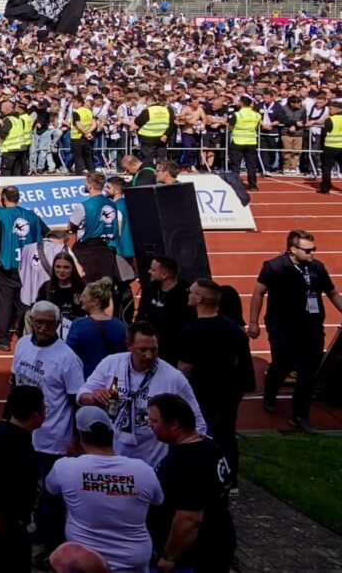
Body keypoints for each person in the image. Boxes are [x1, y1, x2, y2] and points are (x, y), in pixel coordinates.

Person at [44, 406, 162, 573]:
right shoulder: (143, 470)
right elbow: (157, 501)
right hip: (134, 560)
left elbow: (51, 489)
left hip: (84, 562)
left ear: (80, 437)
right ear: (112, 435)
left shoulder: (65, 467)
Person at [249, 228, 341, 433]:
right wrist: (253, 322)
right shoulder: (273, 267)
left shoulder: (317, 267)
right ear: (292, 249)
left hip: (312, 328)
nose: (312, 254)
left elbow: (332, 292)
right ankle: (270, 392)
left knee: (308, 373)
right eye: (307, 250)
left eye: (313, 249)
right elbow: (258, 293)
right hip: (283, 327)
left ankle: (301, 415)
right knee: (282, 364)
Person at [78, 321, 205, 467]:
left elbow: (198, 422)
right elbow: (82, 394)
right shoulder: (111, 364)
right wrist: (93, 396)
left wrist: (182, 453)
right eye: (143, 350)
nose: (149, 355)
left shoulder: (173, 377)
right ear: (129, 345)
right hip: (115, 457)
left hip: (154, 459)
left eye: (153, 350)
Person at [175, 279, 253, 488]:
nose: (188, 294)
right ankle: (230, 479)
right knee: (227, 434)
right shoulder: (233, 328)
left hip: (202, 392)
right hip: (229, 392)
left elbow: (183, 369)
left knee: (201, 434)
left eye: (191, 291)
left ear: (199, 298)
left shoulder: (191, 332)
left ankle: (204, 478)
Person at [146, 392, 234, 573]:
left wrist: (169, 557)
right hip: (219, 540)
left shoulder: (184, 463)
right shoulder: (209, 446)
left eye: (154, 421)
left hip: (195, 557)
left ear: (174, 425)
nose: (149, 424)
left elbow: (189, 519)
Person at [0, 385, 44, 573]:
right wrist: (0, 519)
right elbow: (2, 486)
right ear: (36, 416)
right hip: (5, 524)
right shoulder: (24, 451)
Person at [12, 302, 86, 475]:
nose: (43, 328)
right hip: (23, 435)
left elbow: (77, 404)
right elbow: (15, 383)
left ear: (58, 324)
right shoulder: (22, 344)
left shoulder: (68, 359)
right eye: (39, 322)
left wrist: (76, 440)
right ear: (31, 320)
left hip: (53, 442)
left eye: (49, 323)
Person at [0, 186, 44, 351]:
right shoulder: (32, 215)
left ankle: (2, 339)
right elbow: (46, 232)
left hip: (6, 264)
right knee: (24, 302)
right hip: (27, 265)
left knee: (5, 302)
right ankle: (25, 336)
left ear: (3, 198)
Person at [65, 277, 128, 378]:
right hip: (110, 381)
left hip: (84, 380)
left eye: (84, 296)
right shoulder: (120, 326)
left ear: (96, 302)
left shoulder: (79, 324)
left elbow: (68, 355)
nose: (81, 299)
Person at [136, 255, 193, 365]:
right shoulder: (149, 289)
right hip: (149, 346)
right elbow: (141, 315)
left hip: (172, 349)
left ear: (164, 275)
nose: (149, 272)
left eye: (153, 269)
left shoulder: (184, 294)